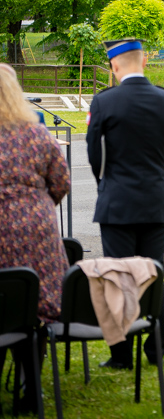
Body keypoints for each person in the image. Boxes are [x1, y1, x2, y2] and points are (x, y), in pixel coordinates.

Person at [85, 39, 164, 368]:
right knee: (153, 273)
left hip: (117, 202)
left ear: (114, 66)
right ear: (144, 63)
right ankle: (156, 348)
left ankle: (122, 354)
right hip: (155, 199)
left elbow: (95, 156)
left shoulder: (104, 102)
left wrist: (107, 185)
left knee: (119, 278)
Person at [0, 63, 70, 415]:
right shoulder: (36, 135)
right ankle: (31, 385)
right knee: (32, 308)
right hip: (35, 235)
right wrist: (36, 207)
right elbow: (62, 182)